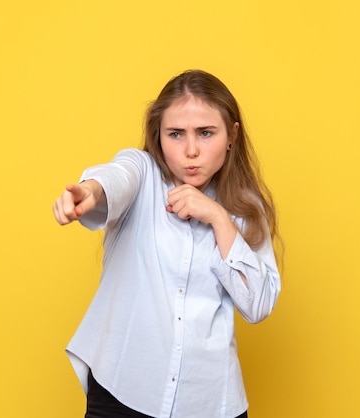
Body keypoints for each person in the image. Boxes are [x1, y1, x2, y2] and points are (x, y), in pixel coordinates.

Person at [52, 70, 281, 418]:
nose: (191, 151)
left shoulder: (246, 210)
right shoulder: (142, 174)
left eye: (206, 133)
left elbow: (258, 304)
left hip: (210, 403)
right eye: (176, 134)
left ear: (232, 135)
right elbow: (117, 177)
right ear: (158, 136)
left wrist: (218, 217)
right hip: (123, 393)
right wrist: (91, 191)